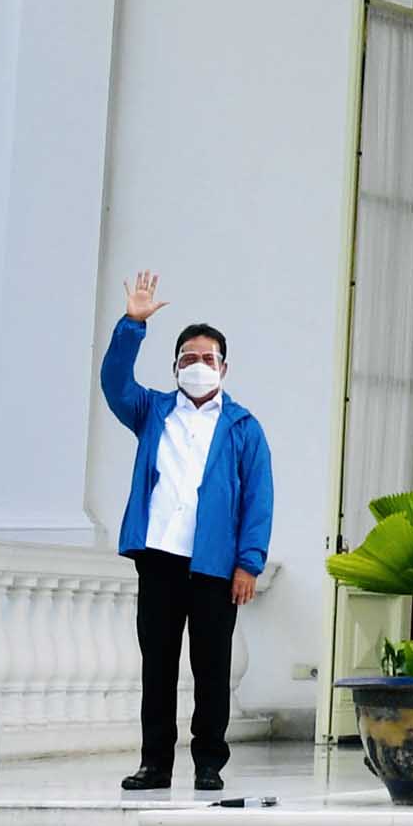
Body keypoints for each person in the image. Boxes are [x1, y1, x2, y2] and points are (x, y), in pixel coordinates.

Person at [99, 270, 271, 795]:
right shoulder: (152, 410)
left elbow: (259, 499)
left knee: (212, 667)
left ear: (224, 366)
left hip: (215, 564)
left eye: (208, 358)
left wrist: (249, 562)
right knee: (158, 666)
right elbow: (114, 383)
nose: (199, 366)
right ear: (175, 366)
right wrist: (133, 324)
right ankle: (155, 763)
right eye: (189, 359)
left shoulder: (243, 426)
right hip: (160, 557)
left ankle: (208, 762)